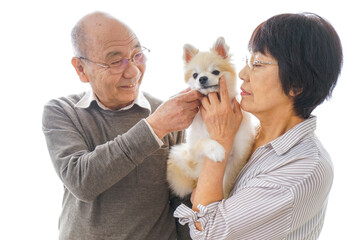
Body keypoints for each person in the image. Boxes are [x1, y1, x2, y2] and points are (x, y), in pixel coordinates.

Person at [174, 13, 343, 239]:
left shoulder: (304, 168)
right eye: (247, 61)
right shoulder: (251, 133)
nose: (243, 74)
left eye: (258, 64)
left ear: (296, 85)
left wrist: (220, 141)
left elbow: (208, 233)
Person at [42, 11, 202, 240]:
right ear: (80, 69)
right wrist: (154, 127)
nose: (134, 71)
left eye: (138, 55)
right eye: (116, 61)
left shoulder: (166, 115)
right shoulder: (62, 111)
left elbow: (180, 203)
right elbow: (82, 181)